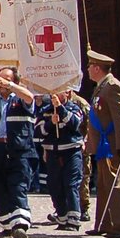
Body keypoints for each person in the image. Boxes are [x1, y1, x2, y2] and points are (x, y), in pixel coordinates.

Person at [0, 67, 37, 238]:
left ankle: (20, 224)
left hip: (19, 150)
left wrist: (10, 85)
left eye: (6, 79)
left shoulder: (20, 98)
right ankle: (7, 225)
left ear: (14, 81)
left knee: (18, 185)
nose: (1, 83)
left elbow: (30, 97)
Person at [84, 50, 120, 238]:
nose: (88, 69)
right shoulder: (101, 86)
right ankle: (105, 223)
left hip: (114, 144)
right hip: (103, 145)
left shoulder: (112, 86)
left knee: (115, 185)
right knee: (104, 185)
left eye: (90, 66)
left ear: (97, 68)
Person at [37, 88, 87, 230]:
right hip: (53, 151)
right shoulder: (46, 110)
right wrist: (51, 123)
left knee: (71, 184)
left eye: (60, 92)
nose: (56, 95)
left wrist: (60, 108)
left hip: (71, 150)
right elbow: (39, 130)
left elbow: (75, 124)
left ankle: (74, 219)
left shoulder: (73, 108)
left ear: (68, 93)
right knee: (54, 185)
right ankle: (62, 216)